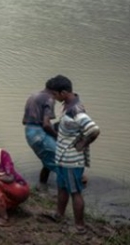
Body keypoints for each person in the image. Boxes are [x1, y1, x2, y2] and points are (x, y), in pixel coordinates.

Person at [45, 75, 100, 235]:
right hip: (63, 157)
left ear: (63, 92)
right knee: (62, 187)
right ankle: (59, 215)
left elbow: (94, 129)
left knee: (75, 192)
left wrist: (82, 144)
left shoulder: (76, 110)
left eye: (54, 94)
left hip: (72, 160)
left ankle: (80, 226)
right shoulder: (68, 104)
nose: (53, 98)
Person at [22, 78, 58, 190]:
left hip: (29, 132)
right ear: (57, 91)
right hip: (39, 134)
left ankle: (42, 186)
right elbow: (46, 125)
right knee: (62, 163)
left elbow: (24, 121)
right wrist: (57, 136)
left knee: (47, 160)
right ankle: (69, 192)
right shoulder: (50, 99)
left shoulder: (33, 96)